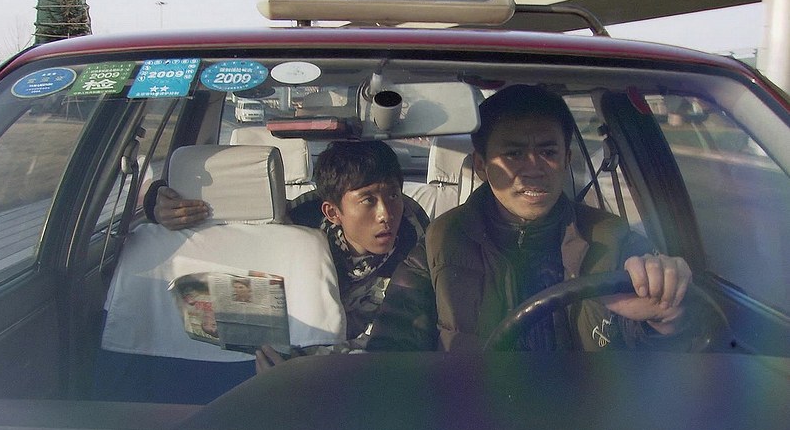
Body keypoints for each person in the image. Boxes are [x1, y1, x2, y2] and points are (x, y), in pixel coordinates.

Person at [368, 84, 696, 352]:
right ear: (481, 166)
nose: (533, 169)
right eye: (513, 154)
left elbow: (665, 362)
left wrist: (665, 319)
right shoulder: (440, 242)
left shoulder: (614, 239)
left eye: (548, 152)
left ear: (566, 159)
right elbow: (390, 354)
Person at [144, 140, 429, 364]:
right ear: (333, 213)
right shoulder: (300, 222)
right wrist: (160, 205)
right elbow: (230, 233)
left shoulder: (415, 243)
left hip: (352, 365)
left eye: (393, 195)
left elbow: (394, 336)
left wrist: (299, 367)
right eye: (368, 200)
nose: (386, 214)